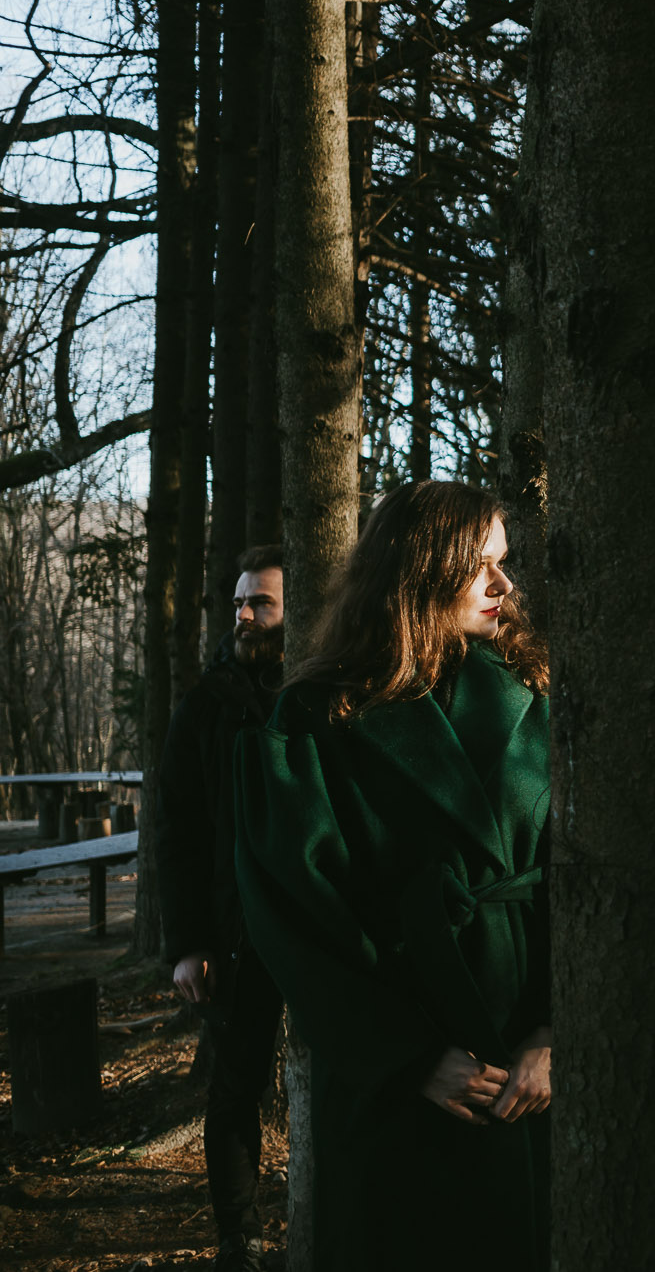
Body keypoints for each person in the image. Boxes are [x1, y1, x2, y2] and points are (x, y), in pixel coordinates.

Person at [235, 482, 552, 1272]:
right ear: (419, 571)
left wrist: (559, 1029)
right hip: (393, 1081)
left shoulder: (538, 695)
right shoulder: (313, 717)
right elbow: (291, 918)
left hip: (524, 1070)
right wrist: (409, 1056)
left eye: (503, 564)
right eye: (479, 566)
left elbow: (585, 883)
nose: (503, 586)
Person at [161, 543, 288, 1272]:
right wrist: (187, 943)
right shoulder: (205, 705)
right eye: (239, 601)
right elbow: (175, 833)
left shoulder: (318, 692)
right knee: (235, 1086)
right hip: (234, 935)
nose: (243, 613)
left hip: (313, 931)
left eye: (260, 601)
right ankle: (238, 1239)